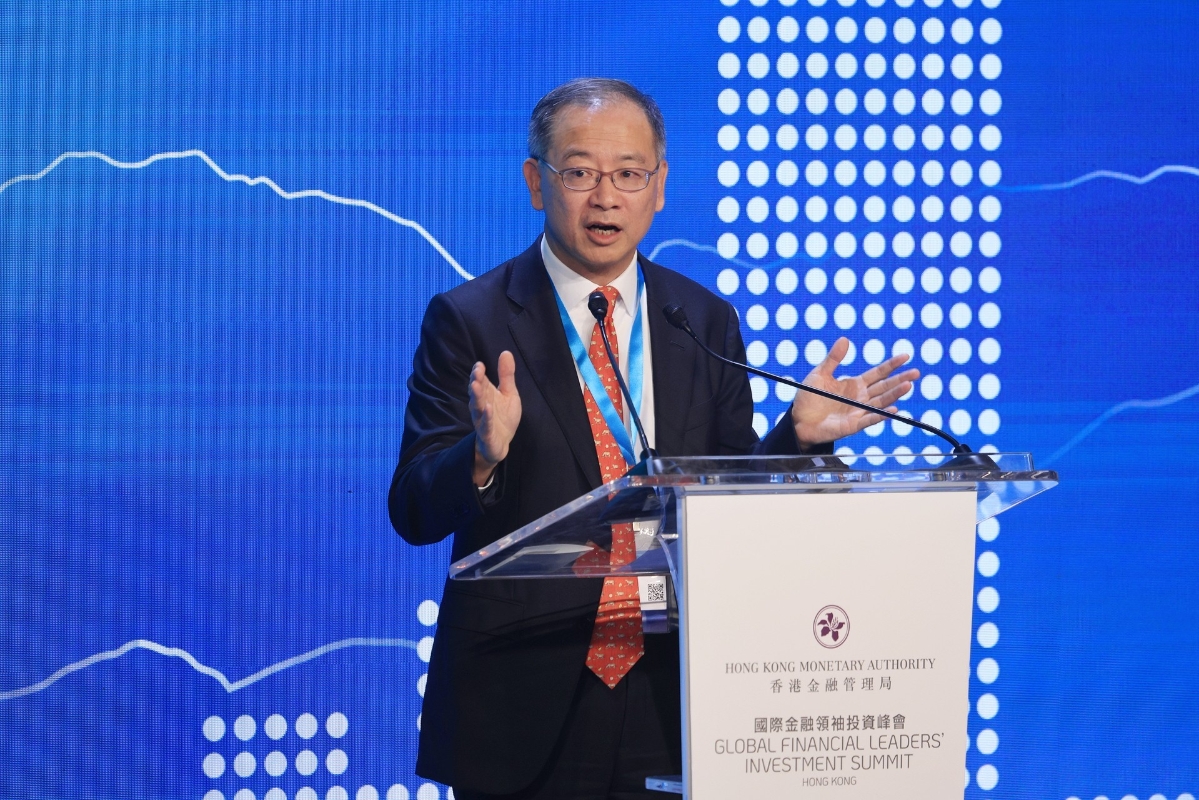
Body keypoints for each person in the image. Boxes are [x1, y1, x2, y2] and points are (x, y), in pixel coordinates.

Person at [389, 78, 918, 800]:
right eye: (579, 172)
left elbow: (729, 497)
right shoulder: (470, 320)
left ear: (659, 185)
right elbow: (413, 509)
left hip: (680, 696)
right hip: (522, 700)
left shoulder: (700, 319)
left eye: (629, 174)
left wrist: (795, 437)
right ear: (536, 183)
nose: (606, 197)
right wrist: (480, 456)